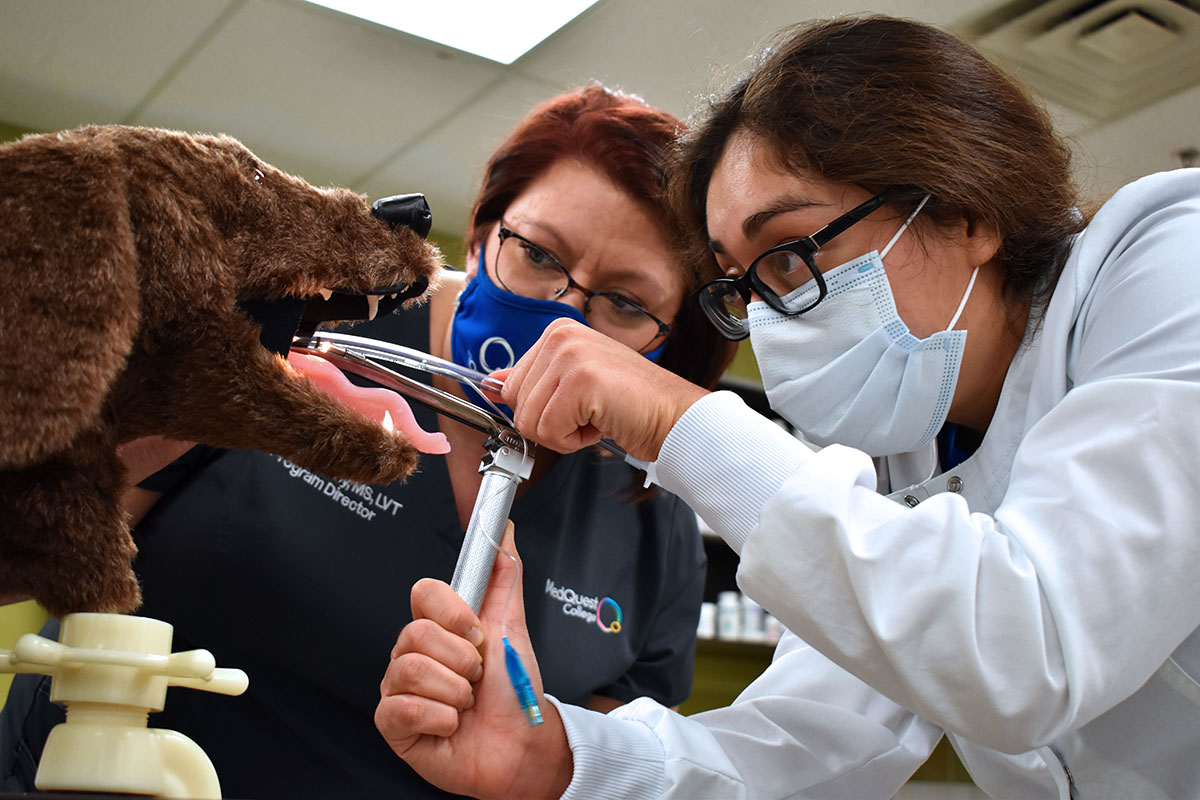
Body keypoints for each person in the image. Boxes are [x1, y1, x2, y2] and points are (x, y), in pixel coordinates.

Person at [373, 15, 1200, 800]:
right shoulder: (897, 442)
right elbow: (811, 744)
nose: (771, 322)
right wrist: (552, 757)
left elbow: (1029, 651)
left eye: (791, 257)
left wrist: (674, 419)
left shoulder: (1170, 266)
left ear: (964, 211)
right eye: (744, 285)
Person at [0, 84, 735, 798]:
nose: (563, 320)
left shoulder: (655, 514)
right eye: (539, 255)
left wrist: (532, 737)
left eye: (625, 302)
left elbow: (607, 762)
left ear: (671, 346)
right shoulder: (297, 333)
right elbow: (32, 535)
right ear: (481, 233)